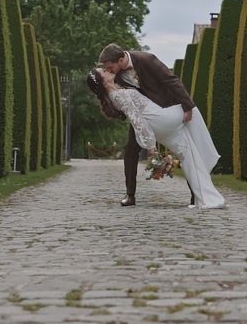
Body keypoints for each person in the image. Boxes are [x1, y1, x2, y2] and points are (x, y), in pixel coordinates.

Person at [87, 67, 226, 210]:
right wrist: (150, 146)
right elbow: (137, 121)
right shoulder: (118, 96)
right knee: (191, 110)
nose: (106, 69)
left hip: (159, 125)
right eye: (103, 71)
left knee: (189, 154)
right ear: (103, 81)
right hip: (161, 119)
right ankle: (209, 159)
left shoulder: (116, 90)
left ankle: (205, 197)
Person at [98, 44, 195, 207]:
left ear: (121, 59)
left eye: (110, 67)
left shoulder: (146, 59)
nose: (109, 71)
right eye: (106, 68)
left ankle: (195, 193)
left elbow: (171, 80)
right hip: (141, 116)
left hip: (163, 110)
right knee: (130, 150)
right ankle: (130, 195)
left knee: (181, 149)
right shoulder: (116, 75)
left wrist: (187, 106)